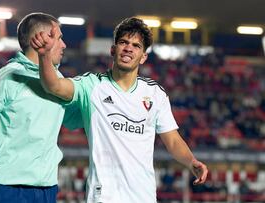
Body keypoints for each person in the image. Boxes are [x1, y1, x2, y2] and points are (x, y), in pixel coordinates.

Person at [31, 17, 208, 202]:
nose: (128, 48)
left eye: (136, 45)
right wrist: (44, 57)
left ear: (143, 57)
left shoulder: (155, 94)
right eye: (123, 42)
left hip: (143, 196)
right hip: (103, 196)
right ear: (113, 49)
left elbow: (172, 140)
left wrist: (191, 161)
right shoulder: (91, 86)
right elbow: (54, 86)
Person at [0, 12, 80, 203]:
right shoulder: (5, 78)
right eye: (59, 38)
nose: (64, 45)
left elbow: (72, 121)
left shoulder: (59, 81)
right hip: (9, 187)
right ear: (40, 38)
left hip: (48, 188)